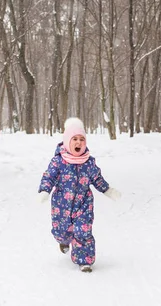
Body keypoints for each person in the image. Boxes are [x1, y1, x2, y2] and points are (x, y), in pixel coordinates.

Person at [37, 117, 120, 273]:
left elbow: (97, 178)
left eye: (82, 139)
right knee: (62, 231)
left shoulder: (89, 162)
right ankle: (64, 241)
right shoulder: (58, 161)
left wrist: (108, 190)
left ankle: (84, 261)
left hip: (83, 204)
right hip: (61, 206)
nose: (78, 142)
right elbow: (49, 176)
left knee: (83, 230)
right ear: (68, 141)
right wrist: (44, 190)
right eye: (74, 139)